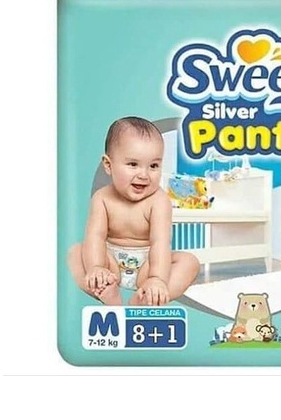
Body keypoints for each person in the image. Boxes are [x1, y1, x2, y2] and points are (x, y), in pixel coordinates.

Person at [67, 116, 200, 305]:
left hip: (149, 264)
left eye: (153, 166)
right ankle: (107, 292)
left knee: (189, 262)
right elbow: (95, 236)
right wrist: (97, 267)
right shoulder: (102, 198)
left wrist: (157, 278)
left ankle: (145, 299)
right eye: (133, 164)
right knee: (75, 252)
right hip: (110, 262)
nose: (144, 174)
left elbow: (160, 243)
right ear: (108, 165)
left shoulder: (159, 201)